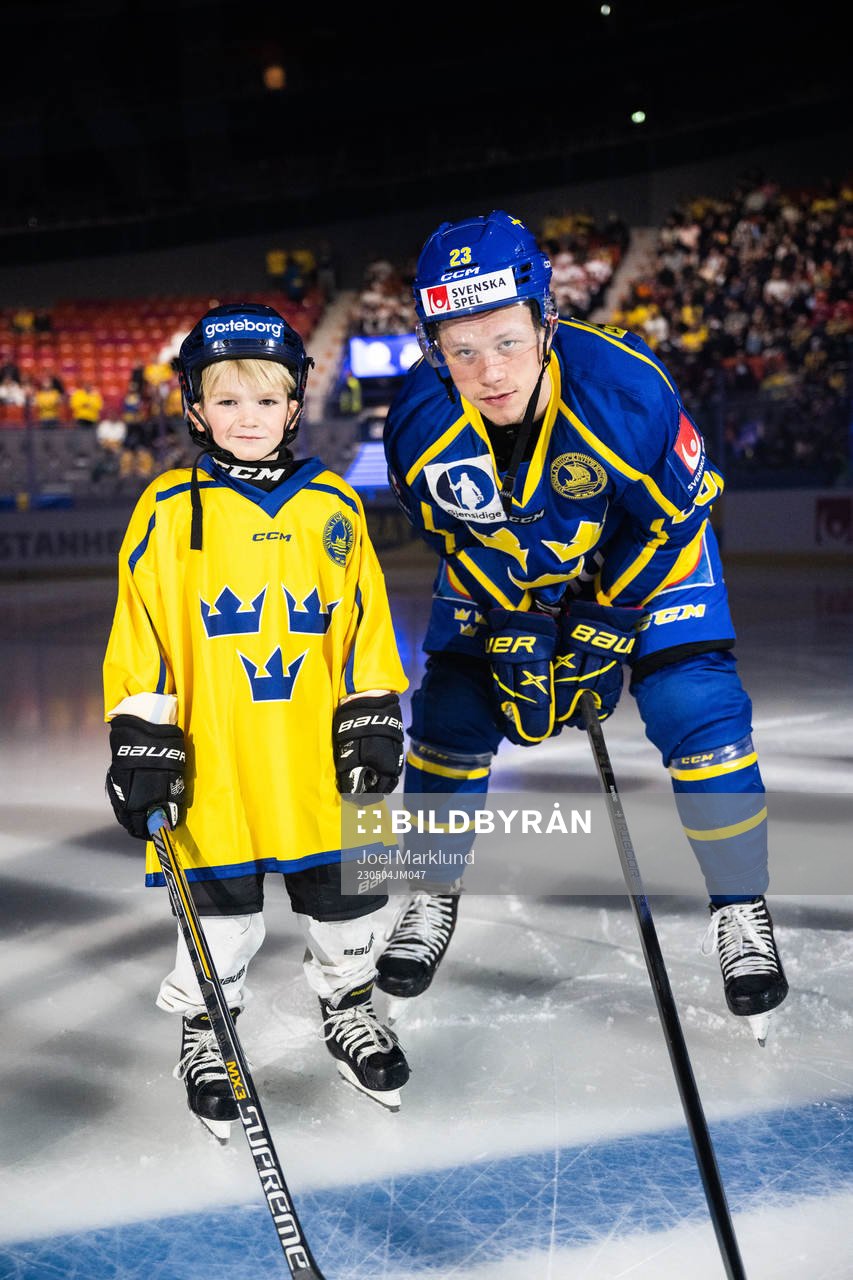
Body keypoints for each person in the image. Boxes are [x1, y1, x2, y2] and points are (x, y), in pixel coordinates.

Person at [380, 210, 788, 1041]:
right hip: (514, 564)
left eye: (506, 340)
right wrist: (517, 627)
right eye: (461, 349)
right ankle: (428, 891)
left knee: (695, 708)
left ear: (545, 320)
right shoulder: (418, 424)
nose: (489, 371)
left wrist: (603, 626)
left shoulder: (625, 388)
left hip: (644, 557)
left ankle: (740, 905)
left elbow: (672, 520)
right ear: (432, 347)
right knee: (450, 713)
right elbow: (457, 540)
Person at [102, 302, 410, 1136]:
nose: (248, 417)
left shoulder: (333, 504)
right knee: (220, 915)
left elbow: (363, 624)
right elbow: (143, 632)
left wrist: (371, 713)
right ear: (196, 408)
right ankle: (207, 1030)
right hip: (217, 760)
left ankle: (350, 1008)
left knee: (348, 903)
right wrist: (143, 735)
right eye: (227, 400)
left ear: (294, 404)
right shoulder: (168, 507)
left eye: (267, 400)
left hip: (319, 756)